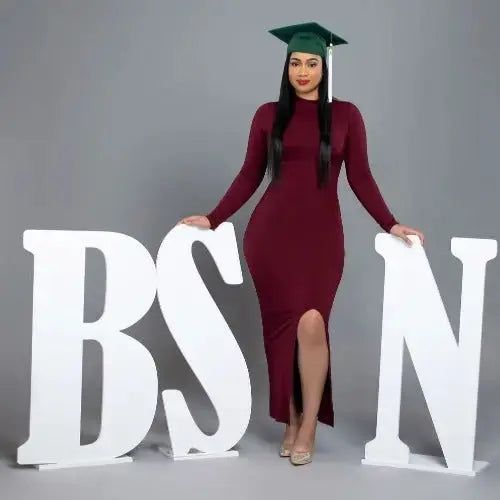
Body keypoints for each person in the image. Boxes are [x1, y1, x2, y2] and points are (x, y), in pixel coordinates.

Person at [177, 22, 424, 466]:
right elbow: (250, 174)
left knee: (312, 323)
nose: (304, 71)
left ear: (325, 67)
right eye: (296, 63)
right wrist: (214, 218)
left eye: (312, 63)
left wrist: (390, 223)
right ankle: (290, 420)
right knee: (282, 336)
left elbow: (361, 177)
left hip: (322, 240)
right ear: (286, 67)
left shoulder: (347, 115)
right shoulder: (267, 115)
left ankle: (308, 423)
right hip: (269, 238)